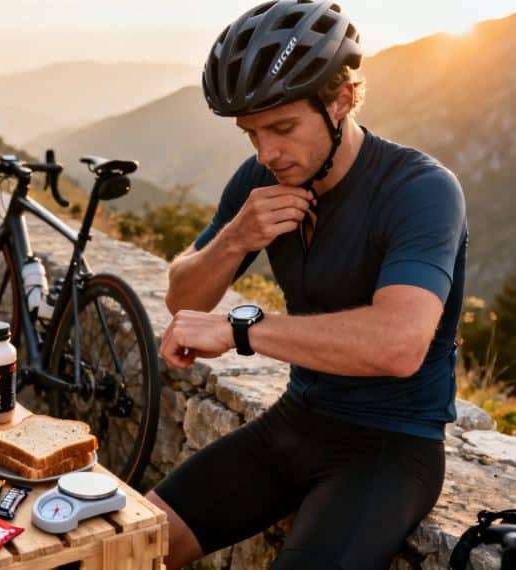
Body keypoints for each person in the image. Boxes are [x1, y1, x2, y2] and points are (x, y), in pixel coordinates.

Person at [144, 1, 468, 569]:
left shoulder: (420, 190)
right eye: (251, 133)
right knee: (127, 548)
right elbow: (182, 298)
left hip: (389, 447)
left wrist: (242, 331)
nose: (267, 152)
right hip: (295, 422)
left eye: (283, 127)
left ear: (341, 99)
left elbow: (399, 343)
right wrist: (235, 238)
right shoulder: (261, 178)